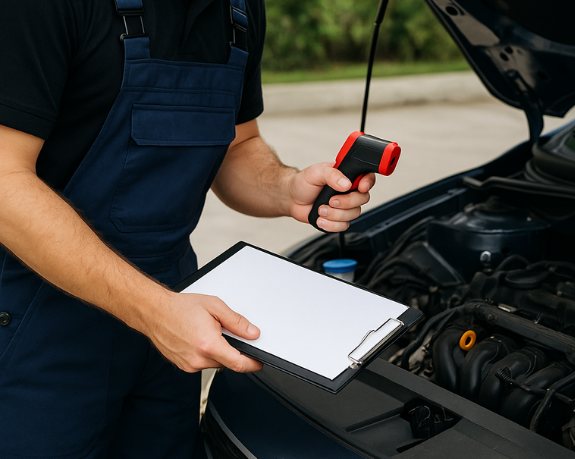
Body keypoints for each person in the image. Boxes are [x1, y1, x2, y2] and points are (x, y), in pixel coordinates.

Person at [0, 0, 374, 457]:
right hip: (38, 324)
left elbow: (240, 145)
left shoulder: (238, 11)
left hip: (177, 315)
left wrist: (285, 188)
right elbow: (5, 182)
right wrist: (154, 312)